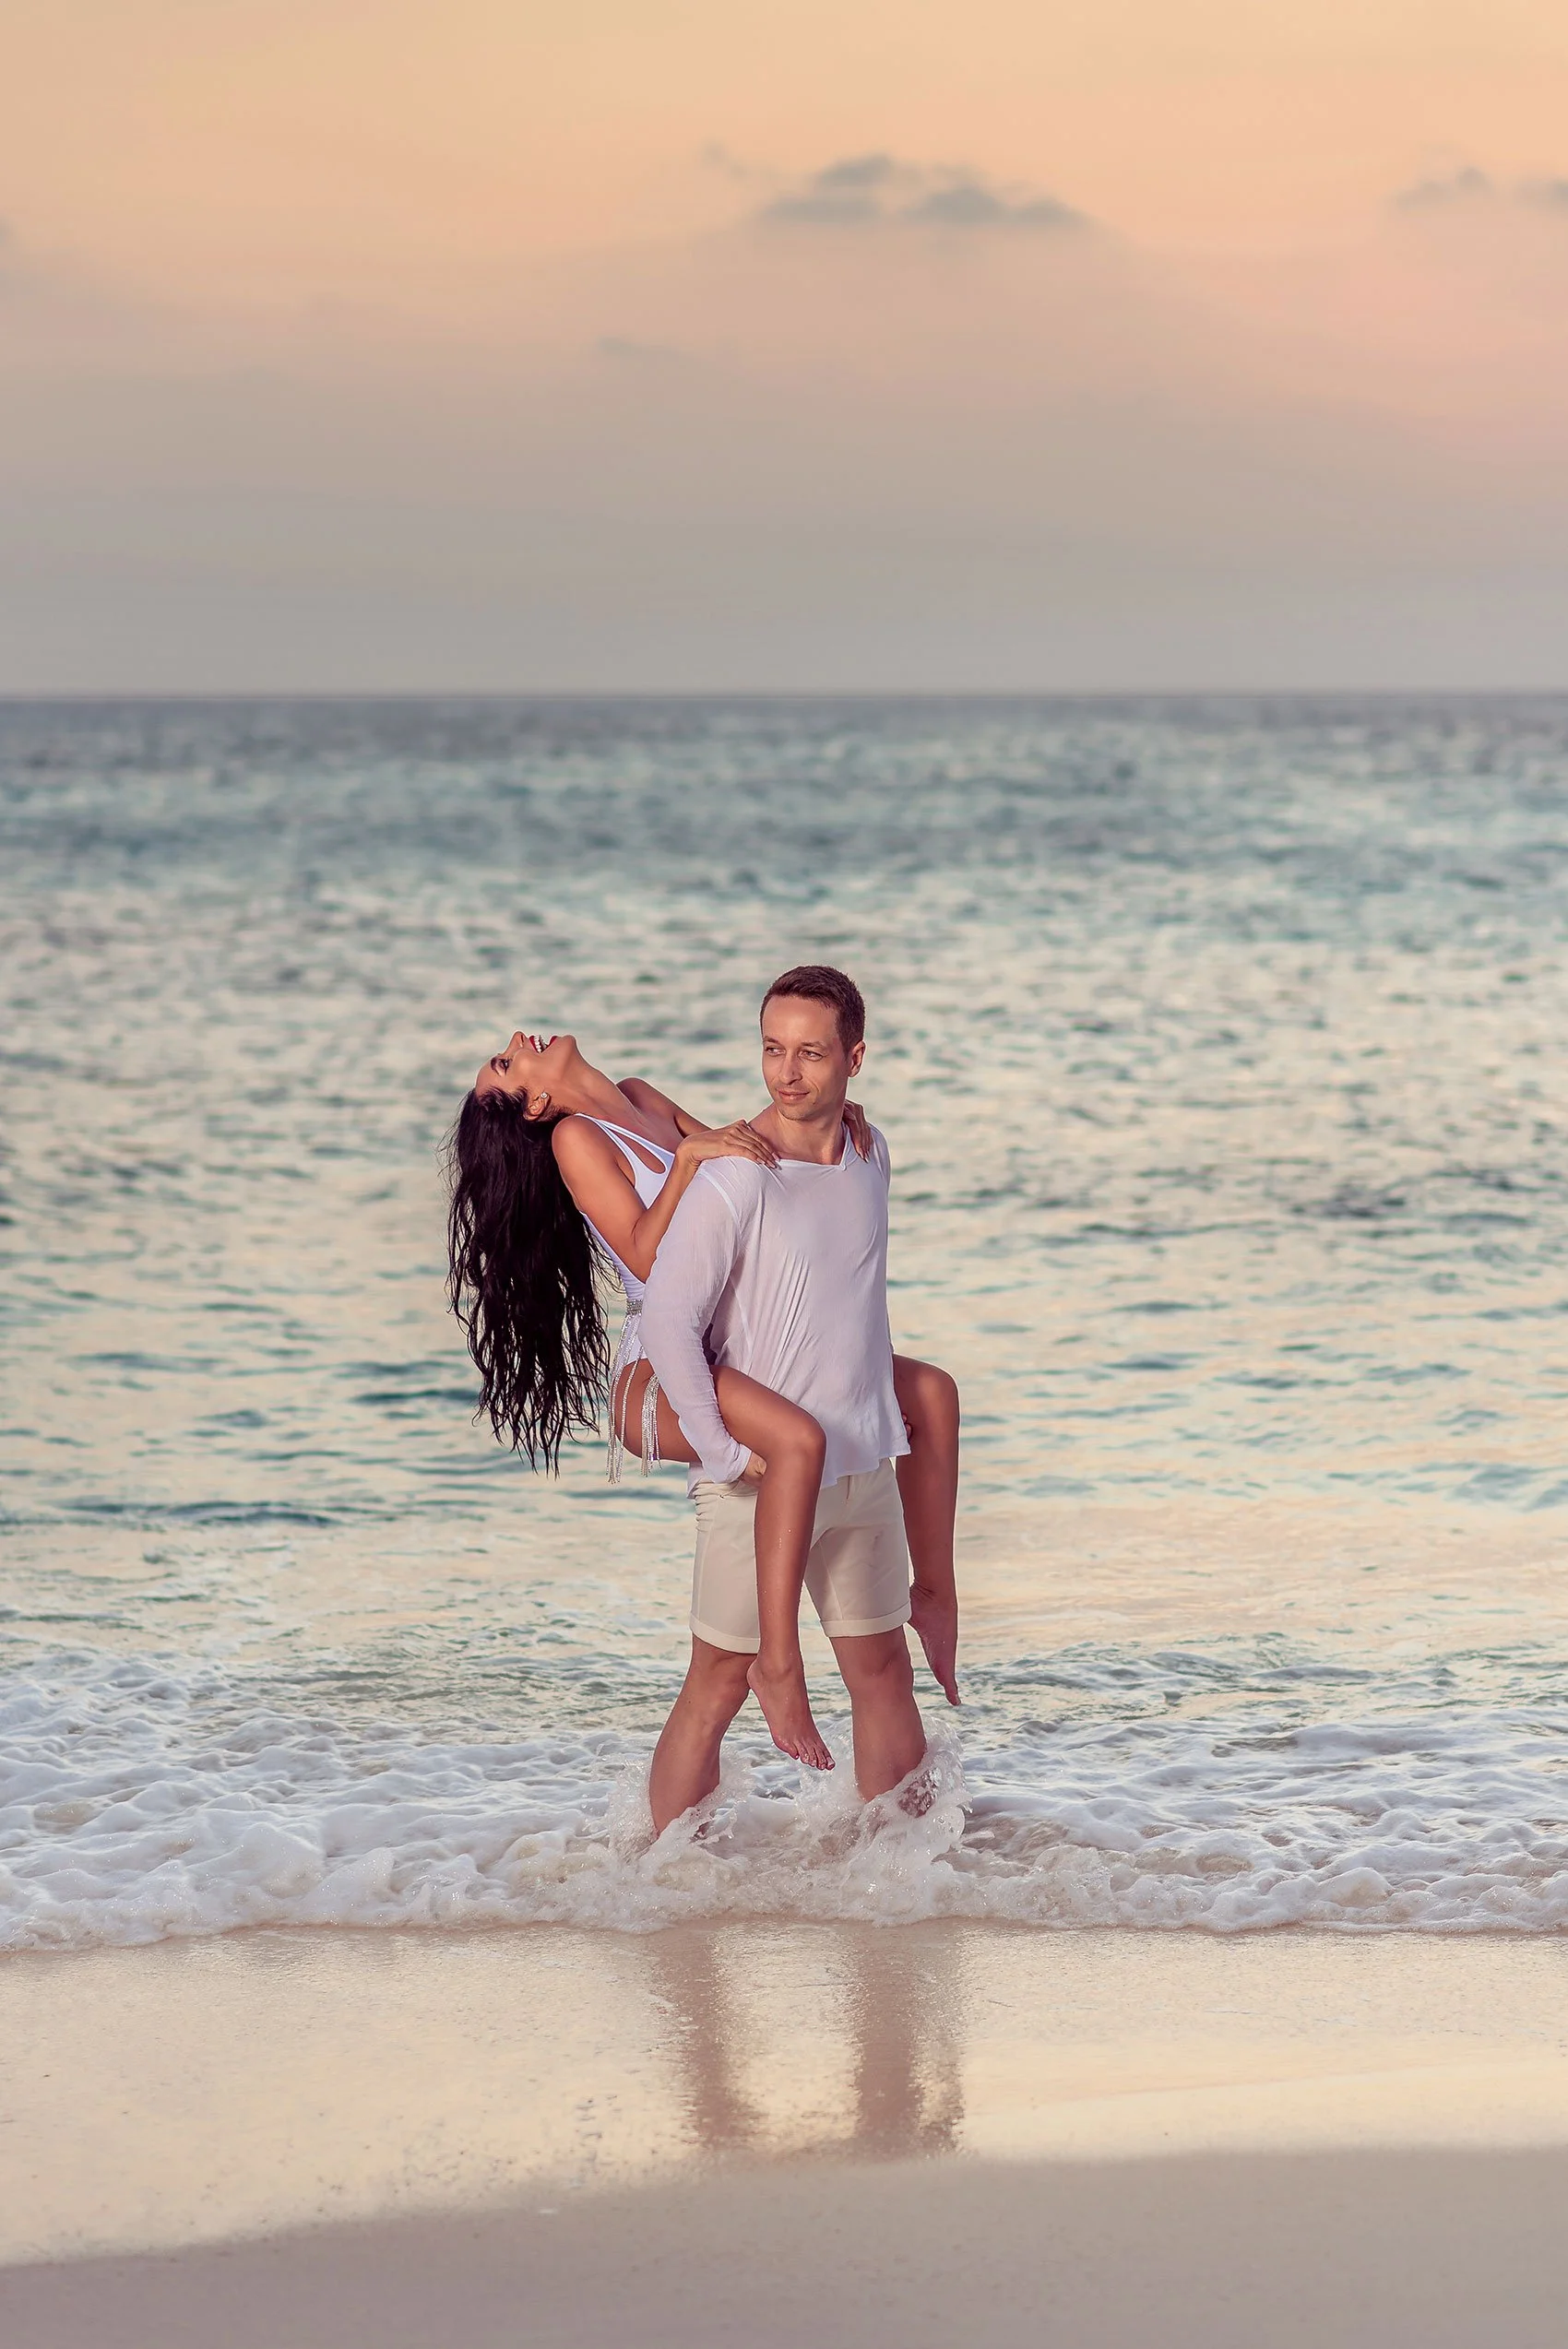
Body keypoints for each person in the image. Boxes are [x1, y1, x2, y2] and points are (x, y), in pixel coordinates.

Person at [445, 1004, 960, 1784]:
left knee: (927, 1390)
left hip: (730, 1349)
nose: (518, 1043)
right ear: (537, 1104)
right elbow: (650, 1261)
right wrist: (685, 1164)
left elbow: (747, 1150)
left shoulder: (639, 1094)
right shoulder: (575, 1140)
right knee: (791, 1450)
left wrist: (826, 1106)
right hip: (659, 1363)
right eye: (507, 1066)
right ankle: (772, 1677)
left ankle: (933, 1603)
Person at [640, 966, 958, 1834]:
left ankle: (907, 1875)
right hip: (760, 1484)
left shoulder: (870, 1152)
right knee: (716, 1684)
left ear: (854, 1058)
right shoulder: (738, 1175)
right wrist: (716, 1446)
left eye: (811, 1054)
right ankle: (660, 1884)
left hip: (862, 1467)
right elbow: (669, 1320)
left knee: (883, 1669)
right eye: (774, 1050)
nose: (787, 1073)